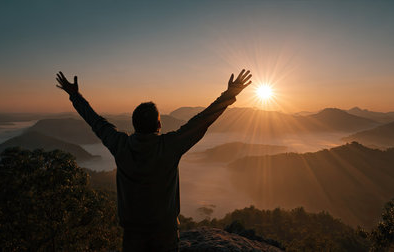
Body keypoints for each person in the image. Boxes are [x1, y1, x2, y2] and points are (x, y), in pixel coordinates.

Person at [55, 69, 252, 251]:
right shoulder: (169, 146)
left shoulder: (120, 144)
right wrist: (229, 94)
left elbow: (95, 121)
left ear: (134, 124)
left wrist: (75, 95)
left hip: (132, 234)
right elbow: (202, 121)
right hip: (164, 233)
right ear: (159, 124)